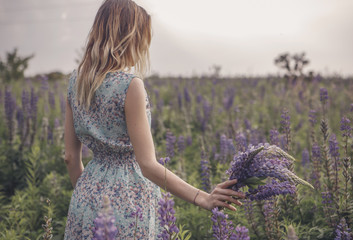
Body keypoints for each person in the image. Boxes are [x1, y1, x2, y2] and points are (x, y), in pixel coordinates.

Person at [64, 0, 245, 239]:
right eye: (141, 39)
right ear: (129, 37)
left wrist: (89, 195)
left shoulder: (75, 81)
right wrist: (203, 197)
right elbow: (147, 164)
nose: (142, 48)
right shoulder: (130, 85)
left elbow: (69, 158)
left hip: (85, 199)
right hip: (130, 202)